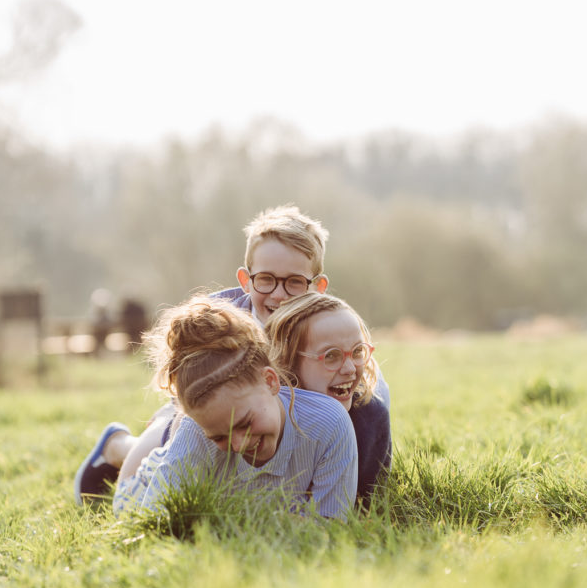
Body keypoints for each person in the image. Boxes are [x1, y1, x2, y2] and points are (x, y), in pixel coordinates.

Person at [74, 203, 391, 502]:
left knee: (367, 410)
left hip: (280, 413)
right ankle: (118, 448)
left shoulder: (326, 325)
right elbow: (191, 377)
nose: (279, 294)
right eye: (266, 280)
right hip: (214, 404)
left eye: (295, 282)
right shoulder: (222, 320)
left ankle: (347, 491)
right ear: (245, 280)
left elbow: (361, 376)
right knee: (176, 437)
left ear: (317, 287)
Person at [112, 295, 358, 521]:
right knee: (169, 437)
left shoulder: (329, 424)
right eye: (219, 436)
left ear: (271, 381)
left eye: (245, 424)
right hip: (140, 485)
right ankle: (114, 445)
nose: (239, 445)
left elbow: (331, 525)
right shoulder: (196, 431)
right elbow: (154, 520)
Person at [266, 292, 391, 501]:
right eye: (331, 355)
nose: (350, 369)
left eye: (358, 351)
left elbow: (365, 504)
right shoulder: (265, 416)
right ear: (288, 361)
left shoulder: (370, 418)